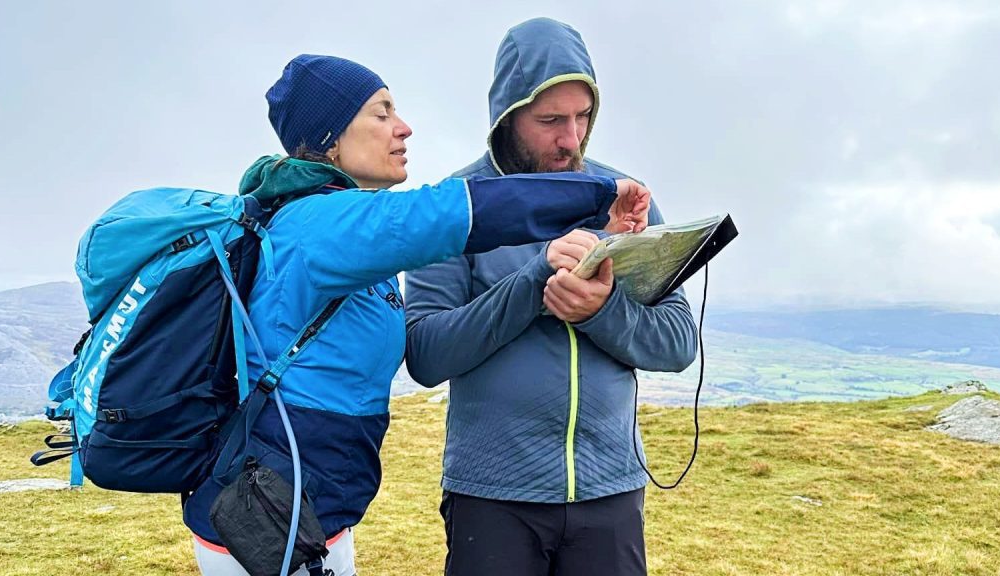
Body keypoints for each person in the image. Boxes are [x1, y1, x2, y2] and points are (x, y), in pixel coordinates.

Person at [179, 54, 652, 576]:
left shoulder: (333, 225)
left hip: (306, 508)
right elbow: (446, 214)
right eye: (380, 114)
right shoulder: (324, 224)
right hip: (265, 515)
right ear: (331, 137)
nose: (402, 127)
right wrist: (599, 195)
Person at [404, 18, 698, 576]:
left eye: (583, 116)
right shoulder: (455, 207)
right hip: (492, 495)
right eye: (550, 120)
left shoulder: (626, 199)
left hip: (609, 491)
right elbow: (424, 354)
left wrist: (602, 311)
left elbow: (679, 343)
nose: (571, 137)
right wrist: (533, 286)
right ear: (507, 117)